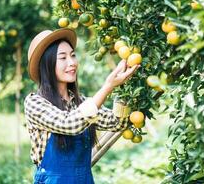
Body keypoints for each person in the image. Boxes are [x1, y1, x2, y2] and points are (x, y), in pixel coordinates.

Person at [24, 28, 139, 184]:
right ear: (47, 65)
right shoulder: (34, 103)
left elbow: (118, 122)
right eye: (63, 58)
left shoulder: (81, 103)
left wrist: (124, 87)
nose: (72, 63)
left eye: (72, 55)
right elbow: (69, 124)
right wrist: (107, 86)